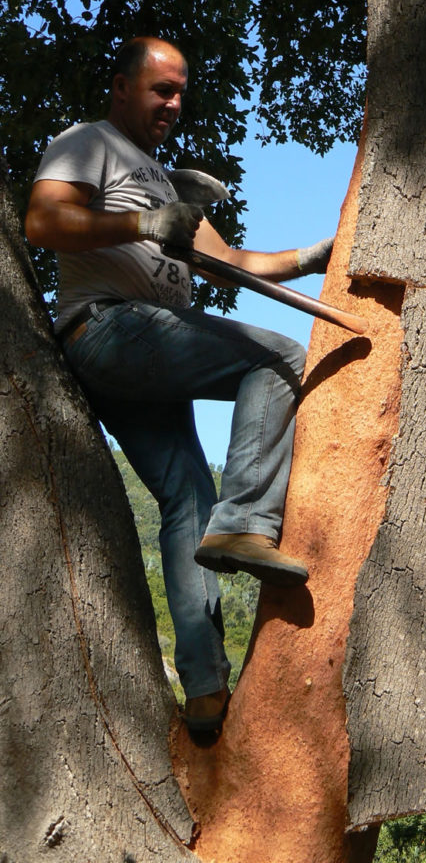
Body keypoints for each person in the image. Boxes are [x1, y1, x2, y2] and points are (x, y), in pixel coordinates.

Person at [25, 36, 332, 732]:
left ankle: (203, 690)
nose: (174, 103)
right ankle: (248, 523)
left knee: (188, 500)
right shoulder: (88, 142)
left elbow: (231, 264)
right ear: (121, 88)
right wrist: (143, 221)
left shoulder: (163, 179)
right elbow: (42, 220)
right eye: (161, 89)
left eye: (182, 92)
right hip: (111, 332)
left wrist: (314, 257)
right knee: (280, 356)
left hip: (147, 360)